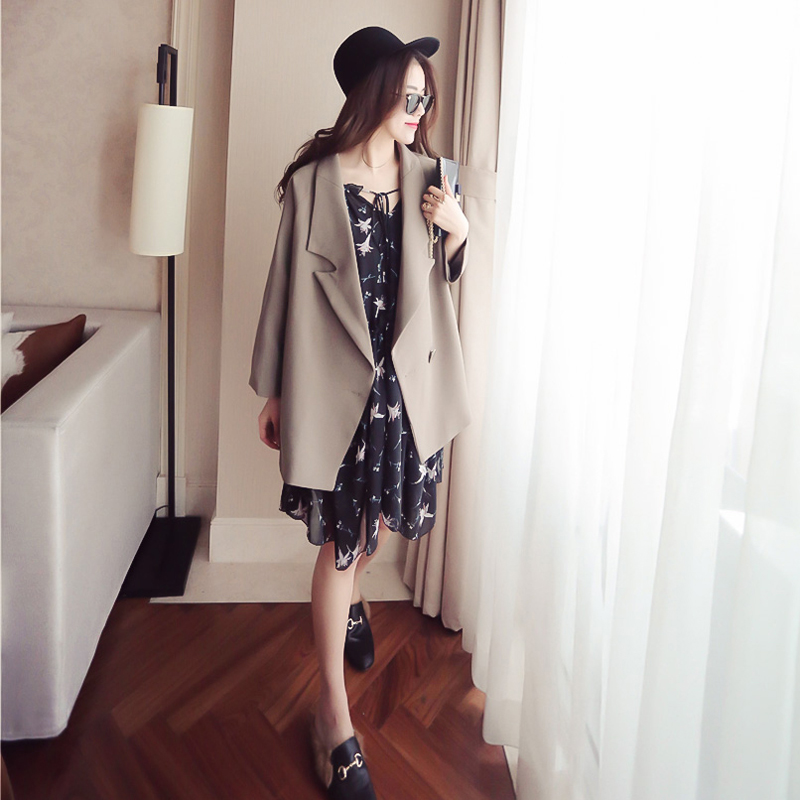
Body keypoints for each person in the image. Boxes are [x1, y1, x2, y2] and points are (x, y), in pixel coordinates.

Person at [249, 26, 472, 800]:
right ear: (371, 92)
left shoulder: (433, 177)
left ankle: (351, 607)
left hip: (405, 396)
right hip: (334, 391)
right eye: (409, 96)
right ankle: (333, 718)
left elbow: (441, 283)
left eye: (425, 99)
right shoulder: (314, 181)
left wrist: (459, 234)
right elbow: (283, 287)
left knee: (370, 532)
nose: (419, 111)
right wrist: (274, 389)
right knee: (342, 544)